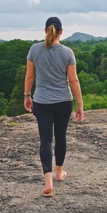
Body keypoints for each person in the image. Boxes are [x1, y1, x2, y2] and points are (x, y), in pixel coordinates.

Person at [24, 17, 84, 197]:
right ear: (61, 32)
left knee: (45, 139)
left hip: (41, 101)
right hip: (63, 101)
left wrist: (27, 95)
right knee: (60, 136)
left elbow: (29, 77)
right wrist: (80, 103)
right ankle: (59, 173)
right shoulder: (67, 52)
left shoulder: (35, 49)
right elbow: (73, 80)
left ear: (45, 31)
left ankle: (48, 183)